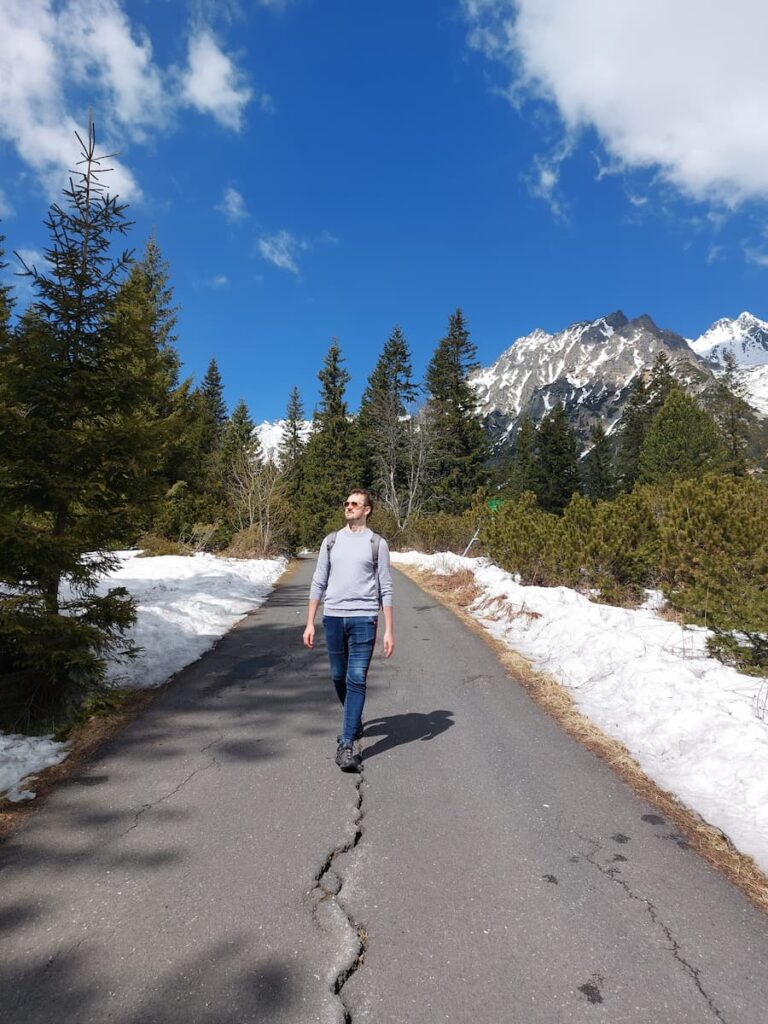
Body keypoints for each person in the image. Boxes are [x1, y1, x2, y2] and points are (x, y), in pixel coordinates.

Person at [303, 489, 394, 771]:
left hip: (364, 619)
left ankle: (346, 744)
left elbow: (386, 587)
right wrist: (309, 621)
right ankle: (352, 720)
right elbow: (318, 581)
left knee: (356, 678)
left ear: (367, 510)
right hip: (332, 617)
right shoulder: (331, 542)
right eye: (347, 503)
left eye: (355, 504)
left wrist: (389, 630)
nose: (349, 507)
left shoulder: (377, 544)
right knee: (337, 675)